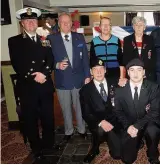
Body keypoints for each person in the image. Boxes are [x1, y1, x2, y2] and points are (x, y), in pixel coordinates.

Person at [8, 7, 57, 162]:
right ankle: (36, 148)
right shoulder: (14, 41)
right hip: (28, 87)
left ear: (37, 22)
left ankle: (48, 143)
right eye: (27, 20)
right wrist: (34, 76)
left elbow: (51, 59)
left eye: (33, 20)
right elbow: (18, 65)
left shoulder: (45, 39)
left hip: (45, 85)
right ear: (22, 23)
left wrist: (44, 73)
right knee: (31, 120)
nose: (31, 23)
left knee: (48, 117)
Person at [47, 13, 90, 144]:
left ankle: (82, 130)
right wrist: (56, 65)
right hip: (62, 81)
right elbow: (47, 60)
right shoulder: (51, 39)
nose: (66, 24)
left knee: (80, 107)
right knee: (65, 108)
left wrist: (87, 75)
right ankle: (68, 131)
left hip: (79, 79)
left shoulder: (79, 37)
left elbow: (85, 60)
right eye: (63, 22)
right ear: (59, 24)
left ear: (72, 23)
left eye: (68, 22)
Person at [114, 58, 160, 164]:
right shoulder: (120, 89)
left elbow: (154, 111)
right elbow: (118, 111)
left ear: (144, 72)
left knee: (153, 131)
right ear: (128, 72)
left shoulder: (153, 87)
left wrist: (137, 126)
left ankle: (152, 154)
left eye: (139, 70)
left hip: (147, 122)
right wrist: (128, 127)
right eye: (132, 70)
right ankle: (138, 141)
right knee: (127, 159)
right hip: (130, 124)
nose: (136, 73)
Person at [79, 58, 121, 163]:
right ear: (90, 72)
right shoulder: (85, 90)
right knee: (100, 131)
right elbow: (86, 113)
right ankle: (95, 148)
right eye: (95, 69)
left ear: (105, 70)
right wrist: (101, 122)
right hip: (99, 123)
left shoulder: (115, 82)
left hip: (116, 121)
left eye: (101, 69)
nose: (99, 72)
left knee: (118, 155)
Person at [90, 17, 126, 86]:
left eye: (108, 24)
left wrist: (121, 77)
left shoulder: (116, 40)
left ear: (110, 27)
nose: (106, 27)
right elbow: (92, 61)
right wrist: (92, 76)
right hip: (100, 74)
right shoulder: (94, 41)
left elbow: (121, 61)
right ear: (100, 27)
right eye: (103, 24)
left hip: (115, 74)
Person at [122, 16, 156, 82]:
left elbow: (153, 58)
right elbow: (125, 59)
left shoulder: (150, 39)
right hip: (132, 75)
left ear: (144, 27)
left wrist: (145, 72)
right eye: (136, 25)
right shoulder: (127, 40)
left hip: (147, 75)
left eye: (141, 25)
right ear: (133, 27)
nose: (138, 27)